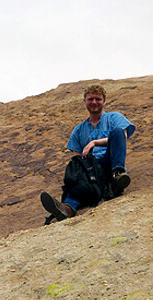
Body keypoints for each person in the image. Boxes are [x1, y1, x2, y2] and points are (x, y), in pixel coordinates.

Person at [41, 84, 136, 220]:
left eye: (98, 99)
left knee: (117, 132)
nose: (94, 102)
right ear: (84, 101)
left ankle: (119, 174)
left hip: (108, 163)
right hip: (92, 170)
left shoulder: (114, 118)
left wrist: (94, 142)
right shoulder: (78, 130)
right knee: (77, 173)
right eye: (90, 99)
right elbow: (76, 157)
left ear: (104, 101)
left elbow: (122, 136)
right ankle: (66, 209)